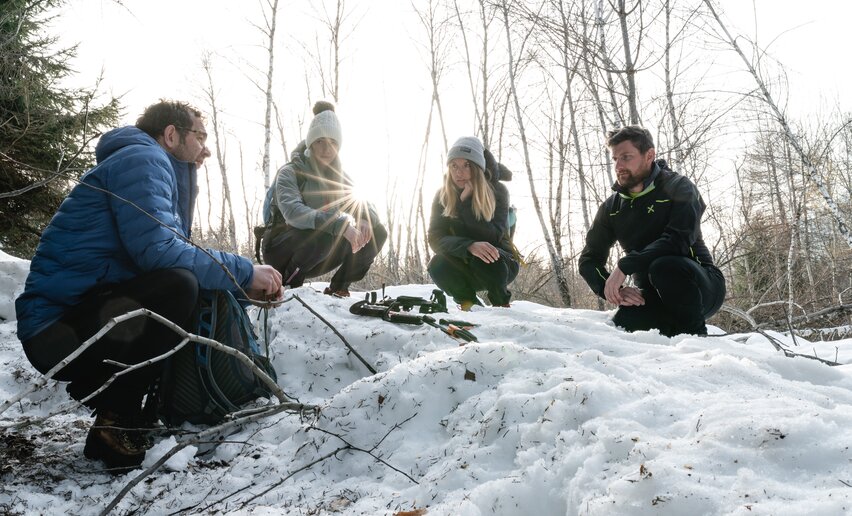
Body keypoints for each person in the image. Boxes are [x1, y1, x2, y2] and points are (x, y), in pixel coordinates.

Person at [15, 100, 283, 472]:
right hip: (55, 328)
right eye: (200, 137)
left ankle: (115, 423)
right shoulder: (143, 160)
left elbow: (171, 248)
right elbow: (162, 253)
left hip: (72, 322)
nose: (206, 149)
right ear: (171, 135)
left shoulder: (148, 164)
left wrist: (238, 286)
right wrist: (244, 271)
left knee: (181, 286)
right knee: (178, 288)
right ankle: (118, 417)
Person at [578, 125, 725, 336]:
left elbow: (677, 240)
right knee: (625, 322)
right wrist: (613, 290)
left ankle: (696, 340)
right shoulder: (611, 208)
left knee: (664, 266)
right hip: (652, 294)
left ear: (649, 155)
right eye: (615, 159)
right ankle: (670, 338)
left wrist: (625, 266)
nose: (618, 165)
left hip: (700, 286)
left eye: (626, 157)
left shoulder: (679, 187)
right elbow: (589, 259)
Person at [261, 101, 386, 297]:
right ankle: (287, 286)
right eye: (320, 141)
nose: (327, 149)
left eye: (333, 143)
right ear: (310, 143)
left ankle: (339, 288)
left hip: (317, 253)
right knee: (325, 231)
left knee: (377, 231)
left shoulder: (338, 178)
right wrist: (341, 225)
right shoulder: (290, 172)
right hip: (280, 247)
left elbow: (362, 201)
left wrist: (365, 216)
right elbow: (293, 213)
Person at [427, 136, 519, 310]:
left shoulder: (498, 191)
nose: (459, 172)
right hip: (464, 260)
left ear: (477, 167)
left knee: (486, 254)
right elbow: (435, 238)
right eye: (454, 165)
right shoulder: (442, 195)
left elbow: (494, 236)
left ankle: (502, 304)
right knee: (437, 265)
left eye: (466, 165)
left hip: (500, 263)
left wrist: (466, 205)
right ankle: (469, 305)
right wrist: (468, 246)